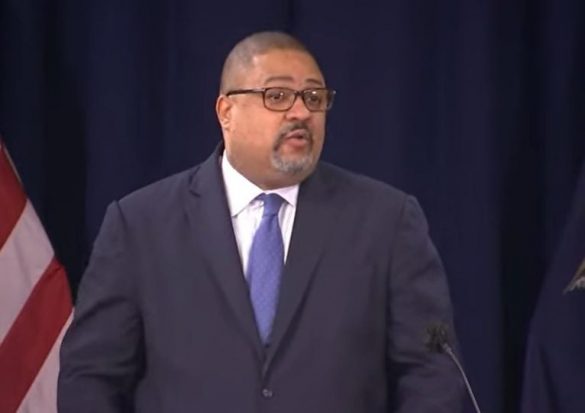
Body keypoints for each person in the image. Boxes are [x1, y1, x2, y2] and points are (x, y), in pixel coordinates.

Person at [58, 31, 464, 412]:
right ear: (226, 112)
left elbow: (431, 374)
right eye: (278, 96)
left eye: (314, 97)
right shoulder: (140, 225)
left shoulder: (386, 222)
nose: (301, 112)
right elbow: (91, 377)